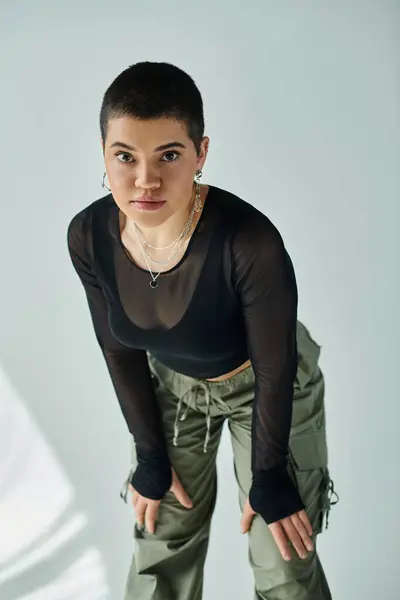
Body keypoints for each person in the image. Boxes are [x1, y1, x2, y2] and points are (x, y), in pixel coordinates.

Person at [67, 61, 339, 600]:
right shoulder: (88, 234)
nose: (145, 179)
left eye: (168, 155)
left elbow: (275, 366)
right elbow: (118, 349)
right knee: (159, 540)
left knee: (282, 550)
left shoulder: (250, 241)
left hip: (266, 385)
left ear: (201, 153)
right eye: (125, 156)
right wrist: (148, 455)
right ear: (103, 153)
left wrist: (269, 476)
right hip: (173, 385)